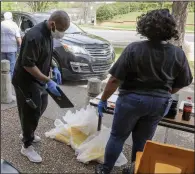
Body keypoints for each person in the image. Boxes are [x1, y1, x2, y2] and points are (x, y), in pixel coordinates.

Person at [95, 9, 193, 174]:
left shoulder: (134, 49)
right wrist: (166, 93)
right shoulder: (178, 53)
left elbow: (114, 80)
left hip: (131, 101)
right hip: (158, 103)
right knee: (142, 140)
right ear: (171, 29)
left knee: (118, 137)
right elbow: (182, 83)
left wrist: (103, 99)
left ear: (145, 27)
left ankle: (105, 170)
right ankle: (135, 169)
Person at [12, 10, 70, 163]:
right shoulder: (34, 36)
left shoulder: (48, 33)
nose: (61, 34)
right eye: (61, 30)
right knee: (31, 110)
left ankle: (27, 131)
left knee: (41, 105)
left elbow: (45, 54)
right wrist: (47, 80)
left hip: (38, 80)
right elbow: (27, 64)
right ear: (52, 24)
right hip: (25, 80)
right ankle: (26, 145)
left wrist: (53, 67)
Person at [1, 12, 22, 78]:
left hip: (2, 49)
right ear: (11, 17)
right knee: (11, 68)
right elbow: (18, 37)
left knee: (2, 67)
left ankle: (2, 82)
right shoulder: (14, 25)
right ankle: (10, 83)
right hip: (12, 49)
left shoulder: (1, 24)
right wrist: (21, 46)